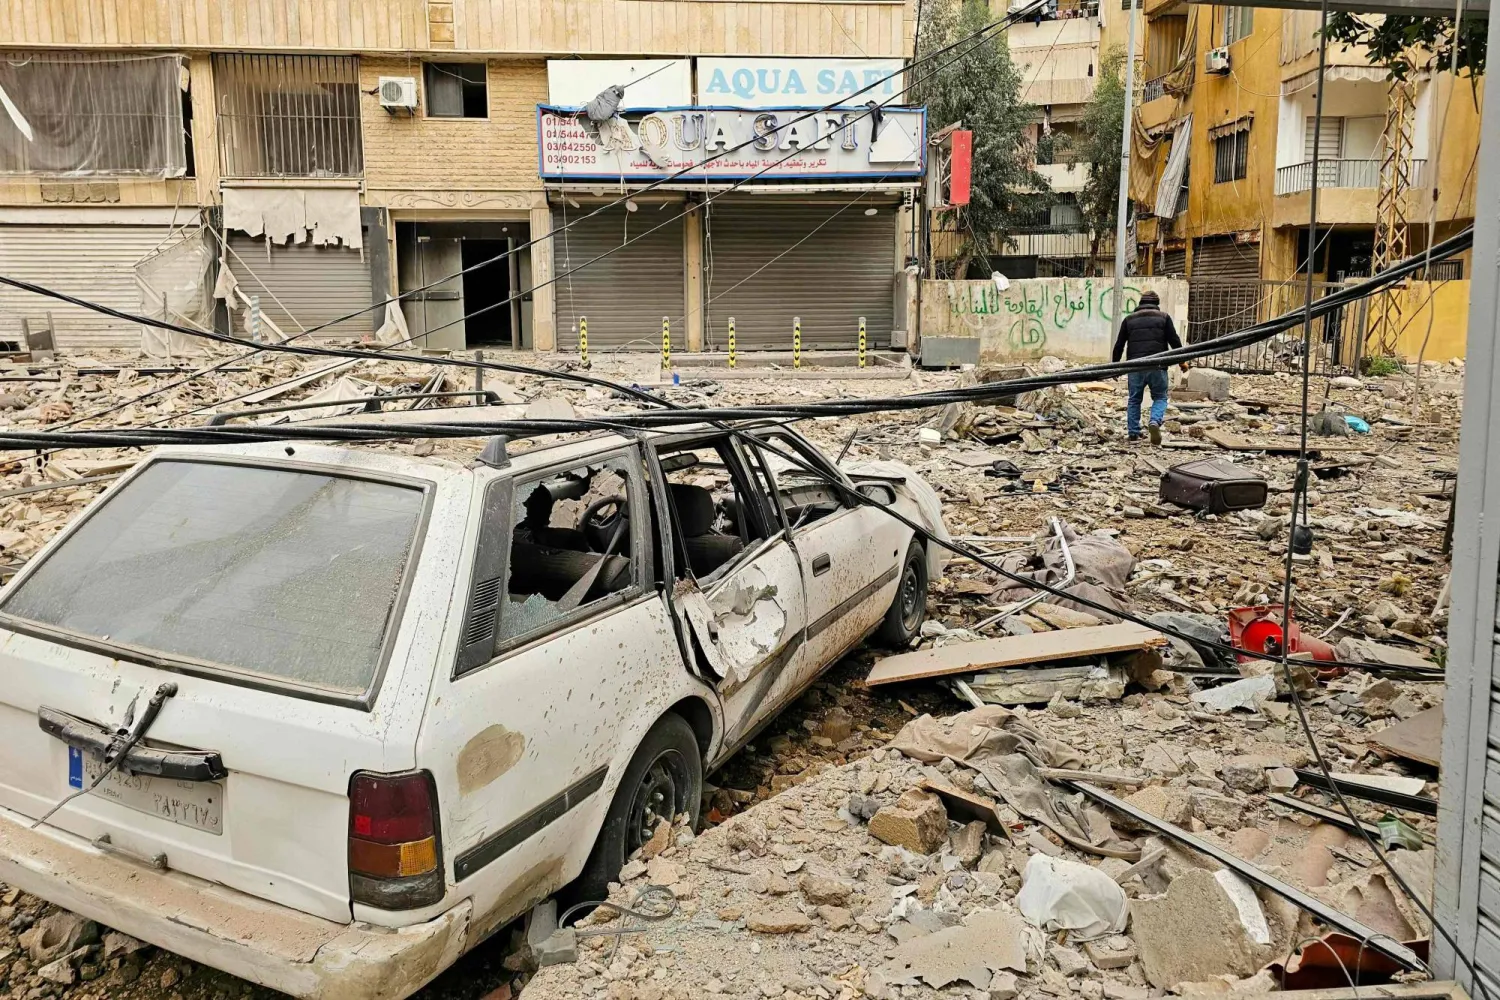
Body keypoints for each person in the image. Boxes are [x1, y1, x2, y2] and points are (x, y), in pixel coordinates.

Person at [1110, 290, 1182, 444]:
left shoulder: (1129, 319)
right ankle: (1154, 422)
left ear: (1140, 304)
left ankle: (1133, 433)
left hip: (1135, 366)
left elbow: (1119, 345)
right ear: (1157, 304)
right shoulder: (1164, 318)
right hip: (1158, 365)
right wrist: (1182, 361)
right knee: (1160, 397)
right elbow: (1174, 341)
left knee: (1134, 399)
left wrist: (1115, 366)